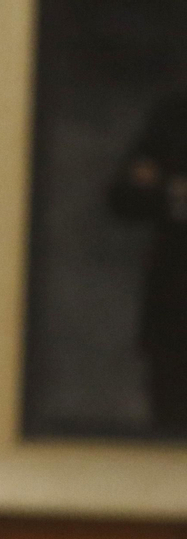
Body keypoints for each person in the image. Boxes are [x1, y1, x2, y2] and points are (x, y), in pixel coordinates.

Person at [110, 89, 187, 434]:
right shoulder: (173, 113)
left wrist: (166, 184)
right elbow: (123, 197)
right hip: (174, 307)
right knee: (170, 423)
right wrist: (173, 194)